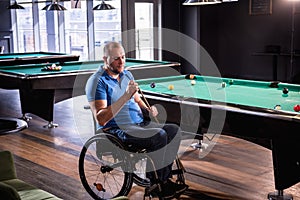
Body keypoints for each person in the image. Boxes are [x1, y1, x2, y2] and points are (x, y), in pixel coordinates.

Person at [85, 41, 188, 199]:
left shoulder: (126, 74)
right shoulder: (97, 82)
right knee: (159, 135)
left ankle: (164, 179)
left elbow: (137, 98)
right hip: (118, 129)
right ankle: (156, 183)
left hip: (139, 123)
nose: (121, 62)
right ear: (105, 59)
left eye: (123, 57)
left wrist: (147, 108)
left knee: (174, 130)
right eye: (116, 59)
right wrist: (126, 96)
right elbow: (101, 118)